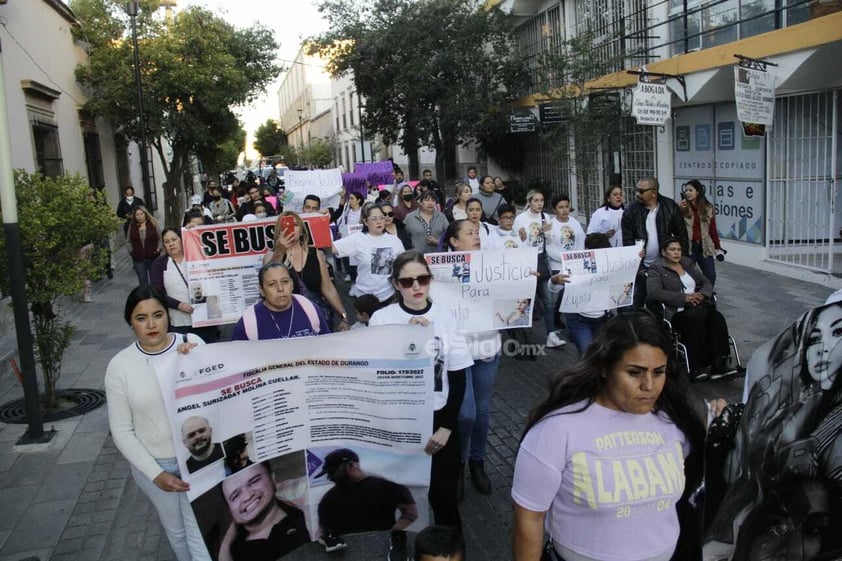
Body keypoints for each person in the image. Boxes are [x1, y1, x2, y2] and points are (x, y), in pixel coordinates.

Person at [511, 312, 705, 561]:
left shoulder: (676, 422)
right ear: (604, 368)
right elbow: (529, 517)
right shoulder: (556, 430)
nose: (649, 385)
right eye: (635, 372)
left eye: (659, 372)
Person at [370, 251, 473, 532]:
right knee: (403, 500)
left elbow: (458, 376)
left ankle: (450, 550)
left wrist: (447, 428)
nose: (416, 287)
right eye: (407, 282)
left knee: (443, 498)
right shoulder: (382, 319)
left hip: (439, 419)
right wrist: (406, 341)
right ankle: (400, 543)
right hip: (399, 422)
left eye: (422, 279)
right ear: (395, 284)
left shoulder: (446, 317)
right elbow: (376, 375)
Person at [105, 286, 210, 561]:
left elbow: (218, 398)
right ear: (130, 321)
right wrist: (155, 473)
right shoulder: (120, 366)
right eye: (141, 318)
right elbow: (121, 430)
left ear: (168, 315)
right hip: (155, 464)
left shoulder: (193, 343)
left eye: (157, 315)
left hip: (196, 457)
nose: (151, 324)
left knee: (200, 530)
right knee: (176, 532)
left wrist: (197, 360)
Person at [445, 219, 503, 498]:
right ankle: (458, 463)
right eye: (469, 233)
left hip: (488, 348)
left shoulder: (496, 264)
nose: (476, 236)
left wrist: (527, 281)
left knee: (481, 411)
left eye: (477, 232)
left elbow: (513, 293)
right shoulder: (440, 269)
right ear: (454, 242)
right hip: (457, 351)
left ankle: (478, 462)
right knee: (464, 413)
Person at [647, 237, 733, 381]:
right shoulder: (657, 268)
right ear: (663, 252)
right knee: (695, 319)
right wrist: (684, 298)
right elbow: (654, 292)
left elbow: (705, 282)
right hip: (677, 311)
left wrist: (702, 294)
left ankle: (719, 364)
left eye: (679, 250)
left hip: (699, 306)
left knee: (717, 318)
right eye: (672, 250)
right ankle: (696, 367)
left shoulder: (687, 263)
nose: (676, 253)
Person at [264, 212, 350, 330]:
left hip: (315, 317)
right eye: (286, 225)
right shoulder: (271, 256)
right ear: (279, 231)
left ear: (302, 230)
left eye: (295, 224)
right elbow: (269, 282)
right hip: (286, 320)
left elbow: (328, 288)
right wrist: (279, 252)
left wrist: (344, 316)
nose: (291, 228)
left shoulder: (315, 254)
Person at [315, 448, 418, 536]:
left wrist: (392, 534)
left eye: (332, 472)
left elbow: (410, 511)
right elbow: (322, 530)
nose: (329, 477)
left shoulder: (385, 486)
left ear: (351, 466)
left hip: (380, 550)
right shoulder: (328, 499)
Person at [219, 462, 309, 561]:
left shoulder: (305, 521)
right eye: (235, 496)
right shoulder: (233, 551)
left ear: (273, 479)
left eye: (254, 481)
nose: (247, 496)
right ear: (230, 510)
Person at [231, 262, 330, 341]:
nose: (280, 288)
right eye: (272, 284)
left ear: (291, 285)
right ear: (262, 291)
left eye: (285, 282)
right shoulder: (249, 321)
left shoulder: (308, 308)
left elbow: (327, 345)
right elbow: (238, 358)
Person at [150, 228, 217, 342]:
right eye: (167, 242)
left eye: (174, 239)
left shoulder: (196, 258)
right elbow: (157, 293)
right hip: (178, 321)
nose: (171, 244)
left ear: (181, 239)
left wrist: (195, 229)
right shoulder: (159, 264)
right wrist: (178, 305)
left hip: (203, 317)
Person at [331, 204, 406, 301]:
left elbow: (404, 264)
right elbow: (332, 248)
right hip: (364, 296)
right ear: (366, 221)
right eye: (374, 219)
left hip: (389, 296)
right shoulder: (358, 239)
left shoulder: (394, 241)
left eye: (381, 218)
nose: (378, 222)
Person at [679, 179, 724, 286]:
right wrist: (679, 209)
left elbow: (712, 230)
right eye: (686, 191)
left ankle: (706, 296)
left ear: (698, 191)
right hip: (688, 246)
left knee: (710, 275)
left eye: (690, 190)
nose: (687, 193)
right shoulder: (682, 207)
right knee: (689, 275)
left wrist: (718, 248)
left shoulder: (708, 208)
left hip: (704, 246)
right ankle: (692, 298)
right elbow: (676, 226)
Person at [126, 206, 161, 287]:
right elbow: (128, 241)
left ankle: (155, 297)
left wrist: (158, 249)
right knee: (142, 280)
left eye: (141, 214)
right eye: (137, 214)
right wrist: (131, 251)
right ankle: (145, 297)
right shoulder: (132, 226)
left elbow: (160, 238)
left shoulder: (153, 223)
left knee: (154, 280)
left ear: (145, 214)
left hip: (153, 256)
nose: (139, 216)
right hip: (138, 258)